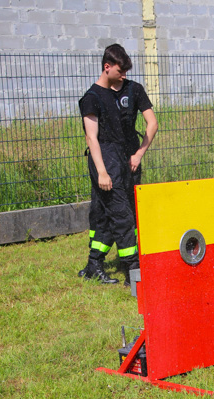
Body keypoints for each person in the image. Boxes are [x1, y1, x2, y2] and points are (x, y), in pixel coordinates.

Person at [78, 44, 158, 285]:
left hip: (128, 159)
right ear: (107, 67)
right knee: (122, 216)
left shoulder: (133, 90)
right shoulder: (91, 98)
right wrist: (102, 172)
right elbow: (91, 138)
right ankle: (134, 273)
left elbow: (152, 123)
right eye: (121, 71)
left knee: (108, 214)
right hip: (105, 159)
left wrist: (139, 154)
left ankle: (93, 265)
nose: (124, 76)